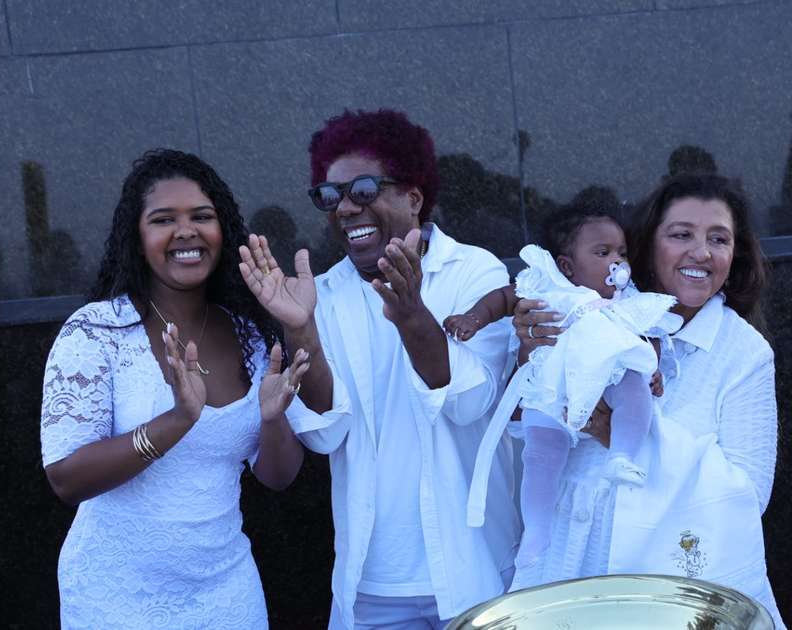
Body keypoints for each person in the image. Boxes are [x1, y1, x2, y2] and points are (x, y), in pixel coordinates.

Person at [239, 108, 519, 629]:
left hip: (474, 570)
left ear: (413, 198)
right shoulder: (320, 294)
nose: (345, 207)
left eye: (363, 190)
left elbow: (471, 402)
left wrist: (412, 315)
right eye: (330, 195)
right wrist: (301, 328)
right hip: (374, 585)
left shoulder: (474, 270)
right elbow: (326, 432)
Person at [40, 149, 310, 628]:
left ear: (221, 231)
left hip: (227, 595)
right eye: (164, 219)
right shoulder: (98, 332)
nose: (186, 231)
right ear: (137, 238)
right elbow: (67, 478)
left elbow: (278, 477)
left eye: (201, 217)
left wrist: (271, 421)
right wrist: (177, 421)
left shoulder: (249, 336)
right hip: (118, 600)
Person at [510, 174, 785, 626]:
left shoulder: (743, 351)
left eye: (718, 238)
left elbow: (749, 494)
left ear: (734, 256)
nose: (701, 252)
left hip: (672, 583)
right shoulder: (587, 314)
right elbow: (528, 434)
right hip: (571, 558)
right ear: (647, 245)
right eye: (681, 235)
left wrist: (619, 435)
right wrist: (533, 355)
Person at [451, 206, 676, 572]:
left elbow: (647, 335)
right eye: (603, 254)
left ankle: (623, 455)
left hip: (609, 381)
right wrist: (472, 319)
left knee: (636, 390)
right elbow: (503, 299)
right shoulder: (547, 287)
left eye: (622, 253)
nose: (616, 263)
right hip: (554, 388)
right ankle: (536, 533)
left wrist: (653, 369)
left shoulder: (625, 300)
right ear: (567, 266)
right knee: (540, 455)